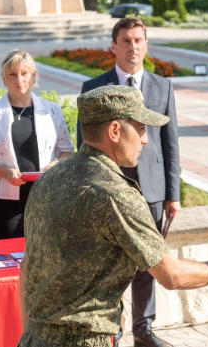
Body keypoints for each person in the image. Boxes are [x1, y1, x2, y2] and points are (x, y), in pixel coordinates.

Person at [18, 85, 208, 347]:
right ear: (115, 131)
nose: (145, 139)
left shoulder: (49, 178)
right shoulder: (116, 193)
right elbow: (172, 275)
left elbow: (26, 267)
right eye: (140, 128)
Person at [77, 18, 180, 347]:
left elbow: (170, 144)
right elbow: (85, 144)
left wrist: (173, 194)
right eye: (126, 40)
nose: (132, 46)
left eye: (138, 40)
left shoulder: (162, 87)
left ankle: (143, 329)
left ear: (146, 45)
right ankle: (113, 329)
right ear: (114, 47)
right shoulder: (94, 88)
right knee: (109, 264)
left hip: (152, 191)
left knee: (149, 263)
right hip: (108, 191)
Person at [0, 50, 73, 241]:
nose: (19, 80)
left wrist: (56, 165)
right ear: (3, 78)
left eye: (24, 73)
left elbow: (67, 151)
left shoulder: (52, 111)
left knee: (44, 257)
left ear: (34, 75)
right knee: (4, 258)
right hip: (3, 206)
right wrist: (5, 173)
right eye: (12, 74)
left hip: (45, 201)